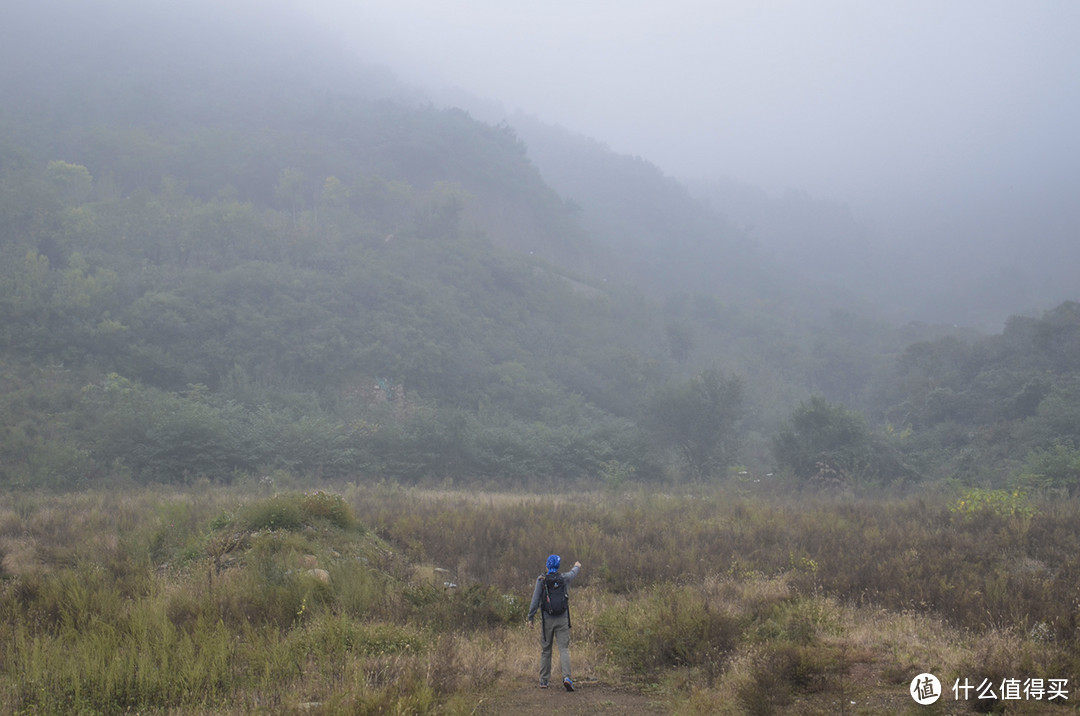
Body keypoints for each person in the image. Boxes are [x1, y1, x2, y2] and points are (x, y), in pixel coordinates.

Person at [527, 554, 582, 691]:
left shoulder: (541, 580)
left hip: (547, 620)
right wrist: (577, 566)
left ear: (547, 565)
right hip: (563, 619)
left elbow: (535, 601)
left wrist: (530, 617)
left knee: (546, 650)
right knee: (563, 649)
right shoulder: (564, 578)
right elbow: (573, 573)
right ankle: (567, 678)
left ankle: (544, 681)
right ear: (558, 566)